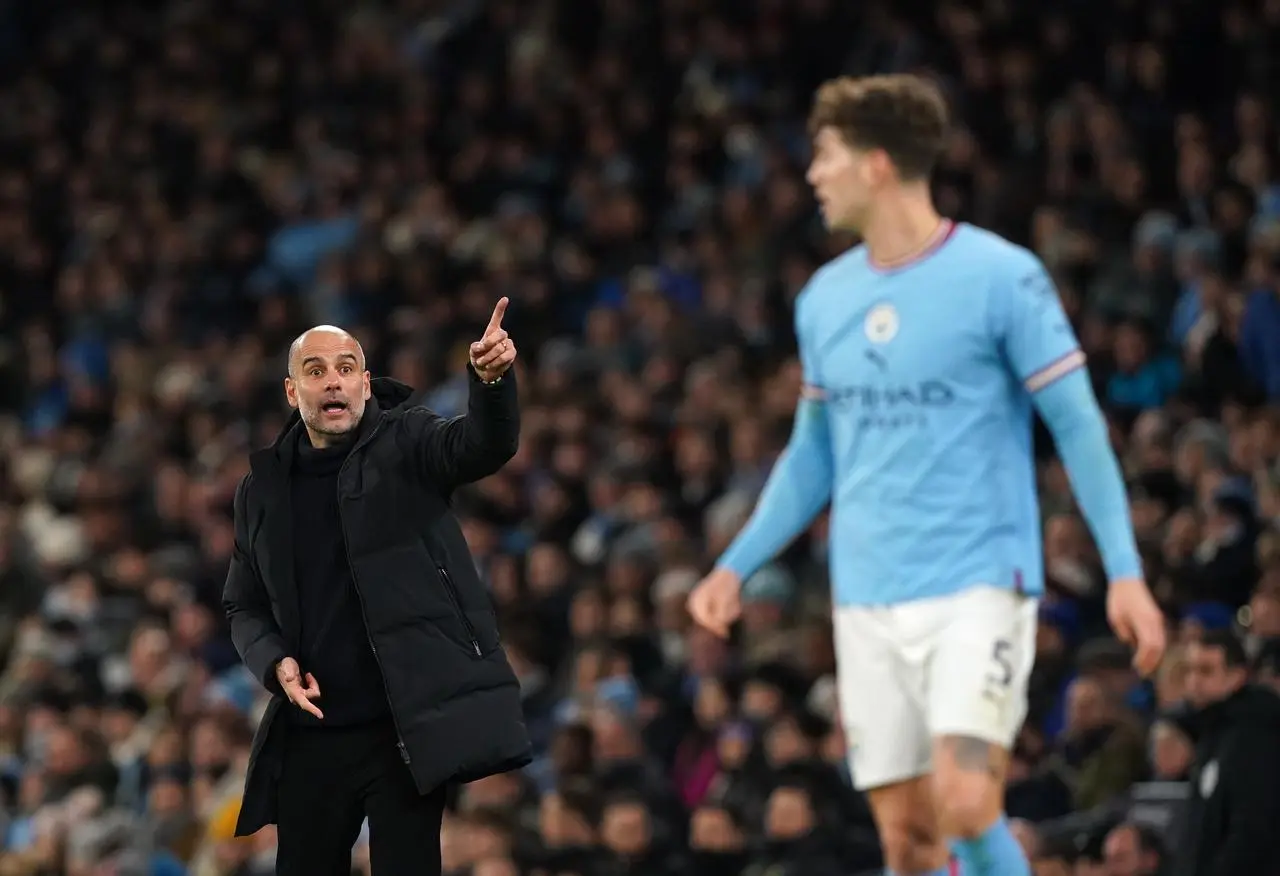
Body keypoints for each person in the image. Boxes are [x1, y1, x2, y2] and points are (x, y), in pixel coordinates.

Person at [686, 75, 1166, 876]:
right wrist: (736, 563)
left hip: (978, 584)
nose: (813, 174)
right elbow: (813, 453)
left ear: (877, 164)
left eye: (826, 155)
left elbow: (1078, 424)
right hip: (867, 598)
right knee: (907, 843)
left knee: (968, 801)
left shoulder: (1001, 276)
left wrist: (1125, 572)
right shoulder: (823, 298)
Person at [222, 298, 532, 875]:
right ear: (294, 393)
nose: (332, 382)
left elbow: (482, 446)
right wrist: (275, 664)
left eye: (345, 369)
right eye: (315, 371)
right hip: (313, 730)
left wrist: (490, 383)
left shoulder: (408, 442)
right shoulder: (260, 491)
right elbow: (243, 603)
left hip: (403, 727)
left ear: (366, 384)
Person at [1172, 629, 1280, 876]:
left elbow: (1252, 830)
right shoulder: (1213, 731)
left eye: (1206, 671)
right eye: (1189, 670)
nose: (1194, 681)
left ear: (1237, 676)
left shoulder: (1256, 734)